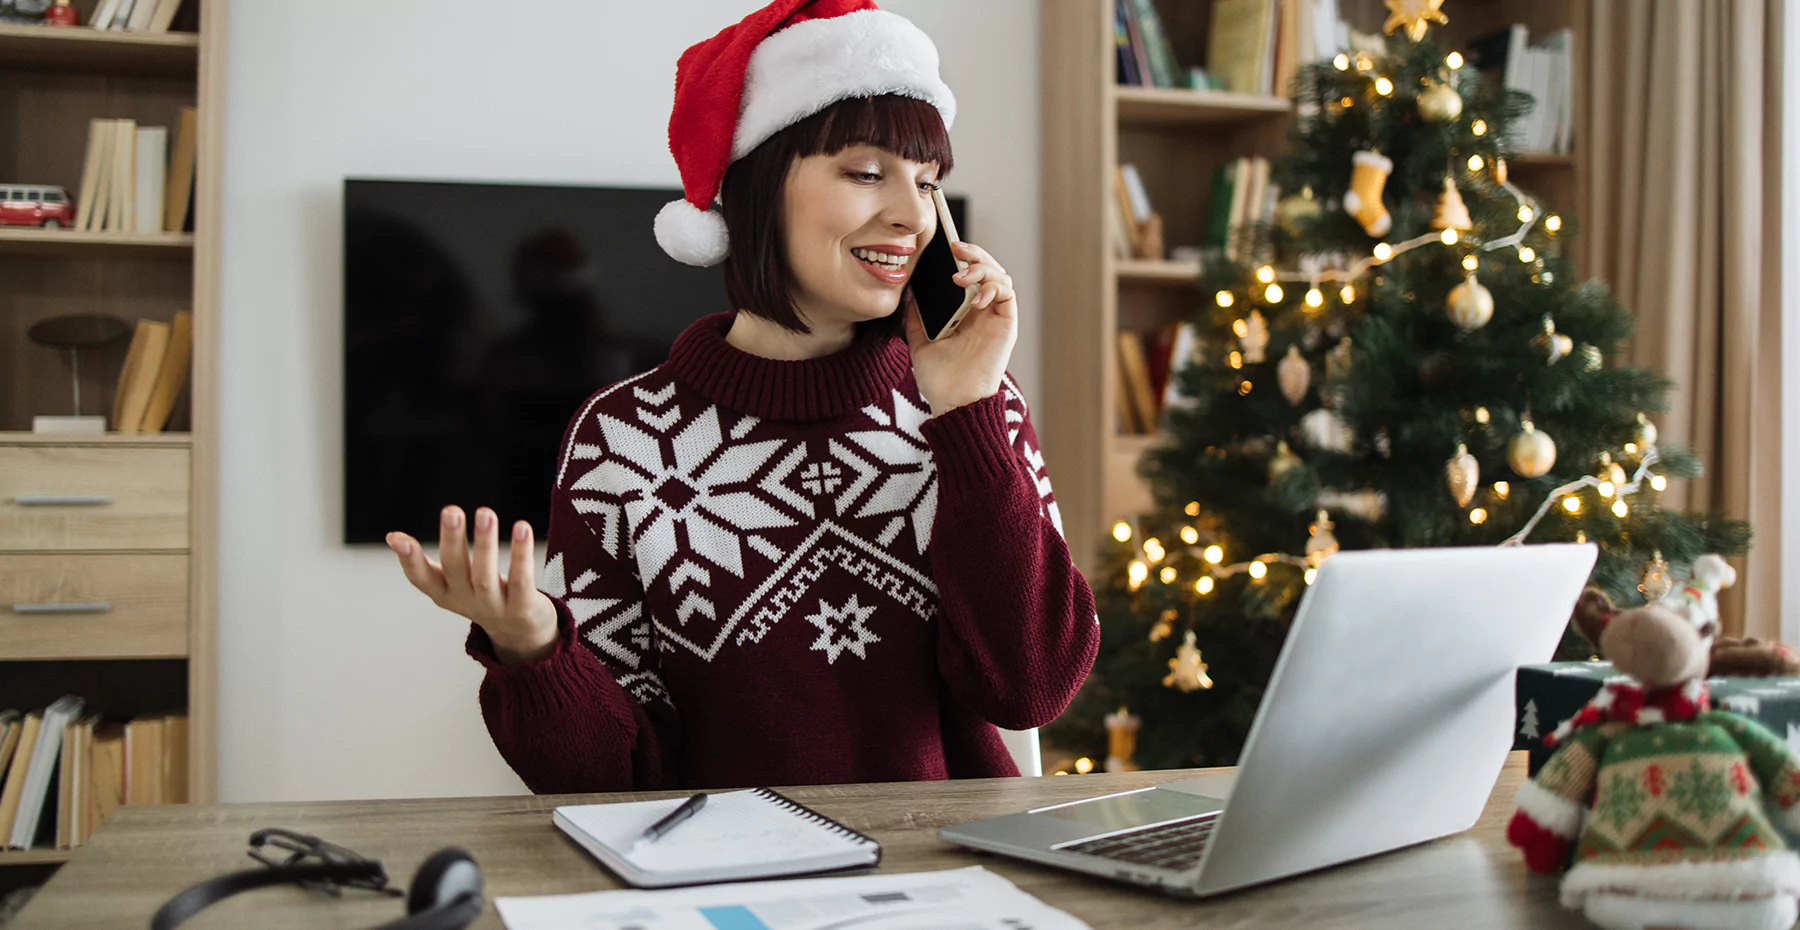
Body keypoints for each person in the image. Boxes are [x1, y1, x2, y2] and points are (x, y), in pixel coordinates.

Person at [384, 0, 1098, 794]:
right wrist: (531, 645)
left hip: (948, 874)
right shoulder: (624, 442)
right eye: (867, 173)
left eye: (927, 182)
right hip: (725, 888)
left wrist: (966, 413)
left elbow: (1031, 691)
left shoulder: (975, 406)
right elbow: (610, 779)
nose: (912, 217)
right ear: (756, 188)